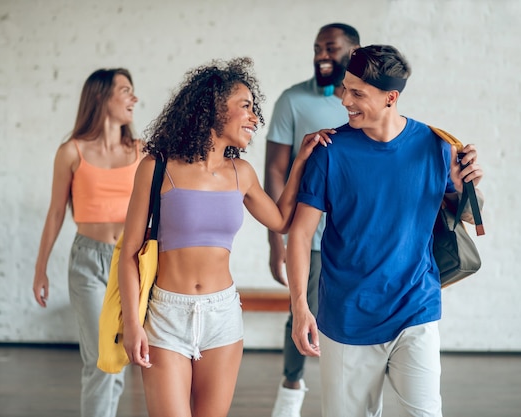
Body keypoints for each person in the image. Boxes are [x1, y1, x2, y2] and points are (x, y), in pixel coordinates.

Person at [117, 57, 325, 417]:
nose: (254, 118)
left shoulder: (240, 173)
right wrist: (132, 326)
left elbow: (281, 221)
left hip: (223, 315)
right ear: (213, 109)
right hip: (167, 315)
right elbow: (129, 254)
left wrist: (301, 162)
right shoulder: (156, 167)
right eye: (245, 106)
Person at [286, 45, 485, 417]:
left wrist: (462, 185)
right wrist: (300, 306)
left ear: (391, 97)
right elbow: (299, 234)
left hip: (416, 307)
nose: (345, 99)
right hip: (346, 316)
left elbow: (472, 218)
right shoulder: (330, 152)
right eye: (346, 88)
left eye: (358, 93)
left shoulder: (437, 146)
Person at [32, 68, 141, 417]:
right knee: (99, 359)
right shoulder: (71, 152)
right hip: (88, 262)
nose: (134, 98)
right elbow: (55, 214)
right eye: (125, 90)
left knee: (119, 354)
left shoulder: (142, 152)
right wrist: (40, 270)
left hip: (130, 262)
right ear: (100, 97)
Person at [265, 22, 360, 417]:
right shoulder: (292, 100)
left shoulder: (364, 101)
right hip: (312, 234)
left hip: (356, 234)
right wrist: (276, 241)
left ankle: (352, 394)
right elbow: (274, 171)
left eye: (331, 48)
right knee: (302, 310)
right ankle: (291, 389)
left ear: (353, 53)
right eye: (318, 48)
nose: (322, 55)